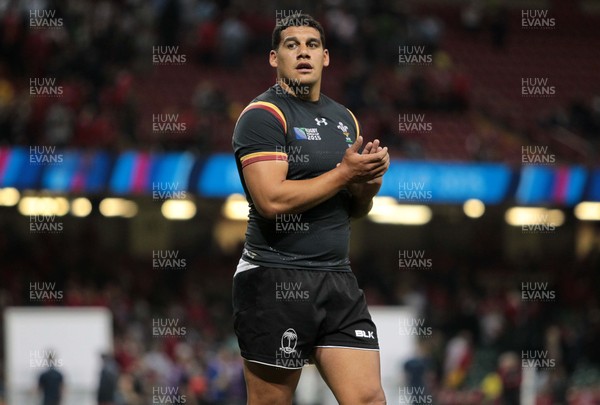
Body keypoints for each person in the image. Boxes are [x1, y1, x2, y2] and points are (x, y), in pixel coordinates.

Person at [231, 13, 389, 405]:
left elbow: (352, 210)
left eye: (312, 45)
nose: (304, 52)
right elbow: (271, 201)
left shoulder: (344, 120)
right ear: (274, 58)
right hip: (274, 276)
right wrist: (344, 173)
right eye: (292, 45)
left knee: (369, 399)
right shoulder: (262, 116)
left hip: (337, 278)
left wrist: (366, 187)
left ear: (326, 57)